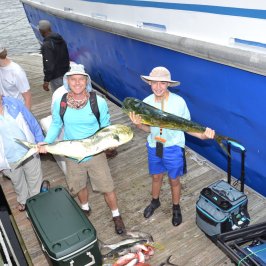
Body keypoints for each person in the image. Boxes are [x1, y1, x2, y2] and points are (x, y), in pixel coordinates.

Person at [38, 64, 126, 234]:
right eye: (73, 79)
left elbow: (105, 126)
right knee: (78, 186)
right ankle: (85, 208)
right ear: (67, 82)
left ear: (86, 81)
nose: (77, 82)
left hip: (95, 152)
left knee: (107, 187)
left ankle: (116, 215)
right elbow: (56, 125)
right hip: (73, 153)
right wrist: (46, 142)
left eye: (81, 79)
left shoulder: (98, 101)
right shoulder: (60, 102)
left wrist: (110, 142)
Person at [129, 66, 215, 227]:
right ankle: (155, 201)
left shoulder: (179, 102)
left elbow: (186, 126)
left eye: (162, 83)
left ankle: (176, 207)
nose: (158, 87)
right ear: (149, 83)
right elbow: (149, 129)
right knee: (156, 176)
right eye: (154, 83)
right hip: (154, 145)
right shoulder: (146, 103)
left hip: (174, 147)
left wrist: (203, 135)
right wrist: (139, 125)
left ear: (168, 84)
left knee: (174, 179)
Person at [0, 94, 43, 211]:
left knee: (34, 180)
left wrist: (40, 141)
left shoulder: (13, 103)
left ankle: (36, 205)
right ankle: (23, 201)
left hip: (28, 151)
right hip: (8, 158)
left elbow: (31, 121)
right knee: (18, 182)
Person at [38, 20, 70, 92]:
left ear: (41, 31)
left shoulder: (46, 45)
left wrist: (46, 80)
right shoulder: (60, 39)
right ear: (50, 28)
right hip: (66, 73)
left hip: (56, 77)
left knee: (59, 97)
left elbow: (49, 65)